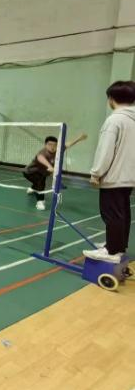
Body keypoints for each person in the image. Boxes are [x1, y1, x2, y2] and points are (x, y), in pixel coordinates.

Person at [83, 81, 135, 263]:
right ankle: (118, 246)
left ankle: (111, 251)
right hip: (129, 177)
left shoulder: (114, 120)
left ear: (111, 99)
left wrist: (96, 173)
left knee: (112, 214)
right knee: (123, 212)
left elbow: (105, 151)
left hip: (114, 177)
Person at [22, 132, 87, 211]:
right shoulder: (43, 152)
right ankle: (40, 201)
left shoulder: (58, 150)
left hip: (42, 173)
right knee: (40, 183)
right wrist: (49, 166)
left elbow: (68, 144)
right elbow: (41, 158)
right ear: (45, 145)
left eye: (55, 145)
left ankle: (33, 188)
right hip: (30, 172)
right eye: (50, 144)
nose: (52, 147)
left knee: (39, 183)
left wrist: (79, 138)